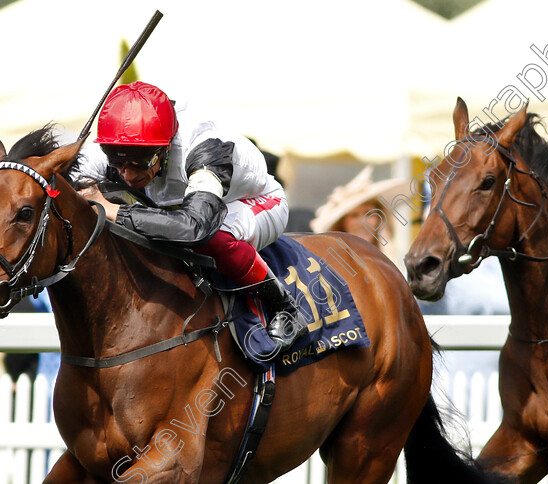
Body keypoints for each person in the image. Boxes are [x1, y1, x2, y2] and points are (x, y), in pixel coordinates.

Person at [79, 81, 306, 351]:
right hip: (181, 208)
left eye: (140, 163)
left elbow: (195, 227)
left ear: (165, 147)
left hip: (251, 202)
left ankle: (283, 306)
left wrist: (115, 210)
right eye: (118, 163)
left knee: (212, 239)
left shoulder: (206, 149)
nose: (127, 174)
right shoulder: (121, 144)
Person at [309, 165, 407, 268]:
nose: (363, 222)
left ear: (380, 218)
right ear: (342, 223)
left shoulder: (400, 258)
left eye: (369, 214)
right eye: (354, 215)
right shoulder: (330, 263)